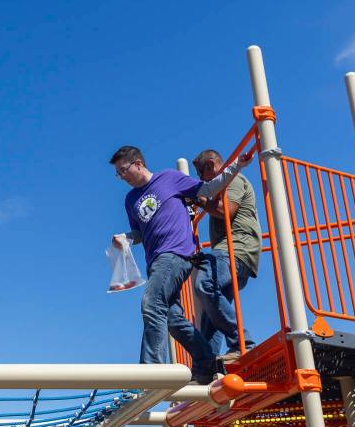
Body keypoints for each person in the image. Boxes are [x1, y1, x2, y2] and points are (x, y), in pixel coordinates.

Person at [109, 145, 251, 383]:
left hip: (176, 253)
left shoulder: (169, 178)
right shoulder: (130, 199)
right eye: (118, 174)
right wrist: (126, 238)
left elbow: (206, 189)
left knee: (152, 303)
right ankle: (206, 360)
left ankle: (151, 372)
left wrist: (237, 166)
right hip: (154, 261)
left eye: (123, 170)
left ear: (138, 164)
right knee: (172, 320)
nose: (122, 177)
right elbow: (140, 231)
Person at [190, 149, 262, 362]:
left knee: (204, 285)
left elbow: (226, 212)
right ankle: (207, 363)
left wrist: (199, 199)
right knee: (214, 311)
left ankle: (242, 343)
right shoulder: (220, 188)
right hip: (230, 250)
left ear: (211, 166)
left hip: (237, 247)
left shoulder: (234, 180)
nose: (201, 180)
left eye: (201, 174)